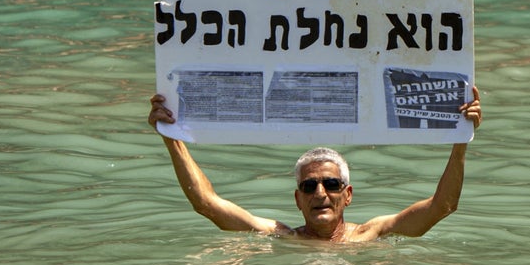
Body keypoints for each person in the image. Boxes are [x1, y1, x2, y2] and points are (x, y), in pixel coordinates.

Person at [147, 86, 483, 243]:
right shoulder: (282, 237)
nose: (319, 192)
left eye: (330, 184)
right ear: (297, 198)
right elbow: (207, 204)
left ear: (348, 194)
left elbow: (443, 207)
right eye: (309, 186)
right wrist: (171, 137)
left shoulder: (372, 235)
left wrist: (460, 143)